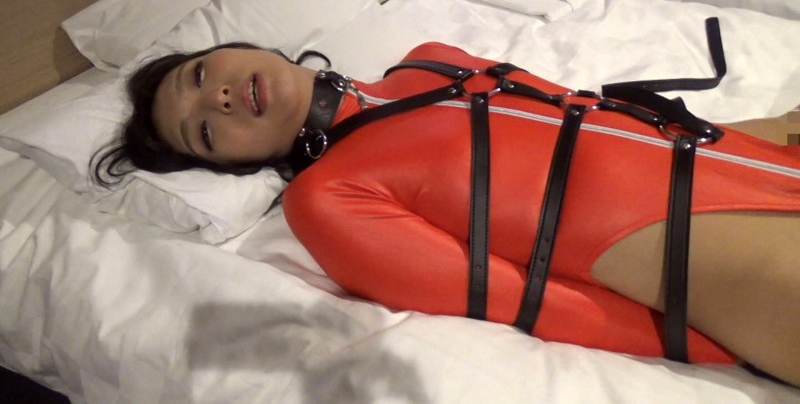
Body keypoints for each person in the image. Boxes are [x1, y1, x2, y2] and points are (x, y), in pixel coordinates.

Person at [94, 41, 800, 387]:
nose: (216, 98)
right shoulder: (325, 201)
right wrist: (721, 340)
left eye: (198, 75)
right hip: (709, 255)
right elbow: (527, 302)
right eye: (204, 131)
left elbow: (590, 116)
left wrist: (763, 137)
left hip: (748, 158)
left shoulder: (430, 60)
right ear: (234, 165)